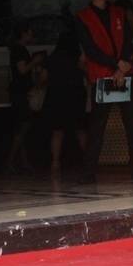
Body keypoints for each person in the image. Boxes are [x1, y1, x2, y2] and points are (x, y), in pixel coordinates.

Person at [76, 0, 133, 183]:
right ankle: (89, 172)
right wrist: (115, 65)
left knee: (132, 123)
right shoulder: (82, 17)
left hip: (124, 74)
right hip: (102, 76)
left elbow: (126, 41)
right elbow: (90, 49)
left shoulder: (119, 13)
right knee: (97, 126)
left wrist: (122, 67)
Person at [44, 28, 88, 175]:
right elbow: (87, 73)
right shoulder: (77, 57)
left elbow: (43, 78)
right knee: (80, 129)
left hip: (56, 95)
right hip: (75, 94)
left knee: (57, 131)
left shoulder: (52, 57)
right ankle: (90, 160)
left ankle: (55, 162)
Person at [5, 20, 45, 173]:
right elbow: (22, 70)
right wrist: (34, 62)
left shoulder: (17, 49)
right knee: (23, 127)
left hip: (18, 93)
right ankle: (11, 161)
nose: (32, 34)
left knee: (21, 128)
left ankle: (23, 161)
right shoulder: (19, 50)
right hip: (21, 94)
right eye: (30, 32)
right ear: (24, 33)